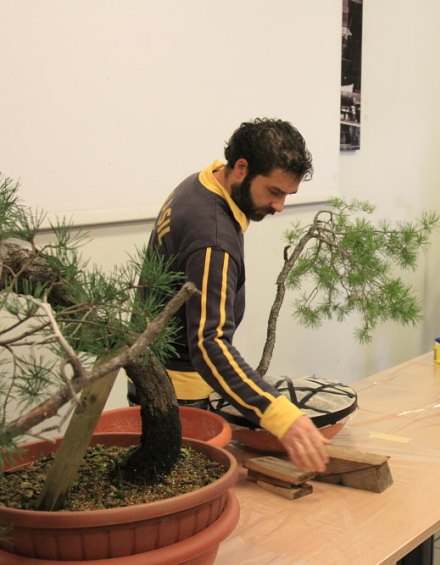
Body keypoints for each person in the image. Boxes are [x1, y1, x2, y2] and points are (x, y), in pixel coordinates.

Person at [129, 118, 330, 472]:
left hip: (149, 367)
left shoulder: (201, 183)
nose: (279, 206)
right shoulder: (213, 238)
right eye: (274, 192)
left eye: (287, 195)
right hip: (177, 391)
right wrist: (280, 415)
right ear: (241, 168)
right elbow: (209, 344)